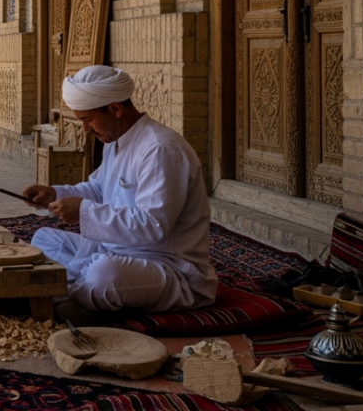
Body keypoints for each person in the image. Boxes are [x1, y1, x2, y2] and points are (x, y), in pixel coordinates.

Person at [21, 65, 216, 322]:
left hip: (167, 265)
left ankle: (65, 296)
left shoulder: (160, 149)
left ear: (115, 109)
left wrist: (83, 211)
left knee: (104, 275)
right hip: (116, 250)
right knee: (44, 239)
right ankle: (71, 293)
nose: (85, 129)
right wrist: (54, 194)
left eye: (87, 120)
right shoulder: (114, 140)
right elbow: (99, 189)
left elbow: (153, 226)